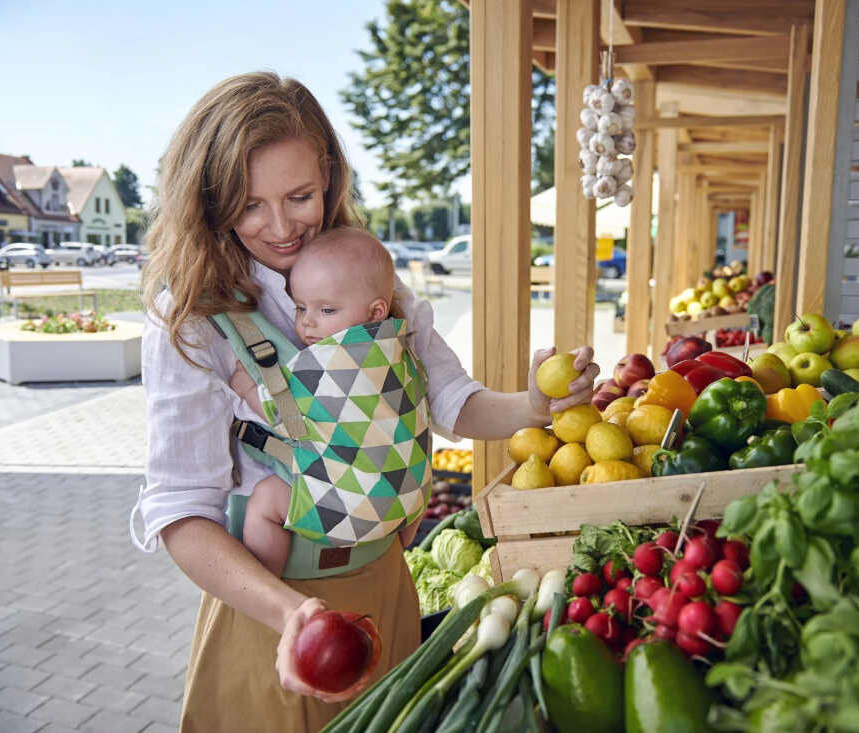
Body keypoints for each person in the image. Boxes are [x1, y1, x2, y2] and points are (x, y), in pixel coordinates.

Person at [130, 70, 597, 733]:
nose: (281, 226)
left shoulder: (374, 283)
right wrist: (292, 615)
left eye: (299, 195)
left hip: (386, 589)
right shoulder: (193, 317)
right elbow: (181, 511)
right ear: (210, 201)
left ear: (330, 177)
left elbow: (455, 404)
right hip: (271, 614)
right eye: (250, 203)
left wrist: (531, 404)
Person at [227, 226, 423, 577]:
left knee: (265, 502)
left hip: (350, 513)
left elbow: (287, 415)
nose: (308, 322)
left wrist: (245, 389)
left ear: (375, 311)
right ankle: (401, 543)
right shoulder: (400, 350)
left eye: (327, 310)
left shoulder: (333, 364)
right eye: (300, 307)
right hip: (406, 499)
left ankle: (268, 577)